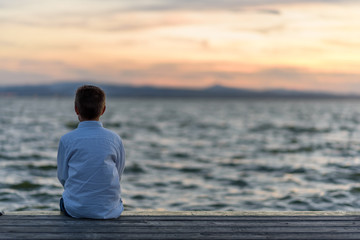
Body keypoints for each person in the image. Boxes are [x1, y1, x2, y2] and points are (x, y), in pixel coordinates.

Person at [57, 85, 125, 219]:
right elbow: (118, 173)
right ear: (103, 110)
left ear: (76, 109)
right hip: (110, 210)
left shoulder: (67, 140)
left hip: (75, 210)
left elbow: (63, 177)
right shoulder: (115, 139)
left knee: (64, 200)